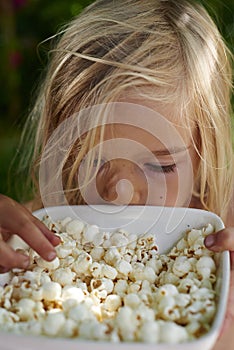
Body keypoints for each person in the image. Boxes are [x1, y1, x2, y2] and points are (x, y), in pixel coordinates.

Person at [0, 0, 233, 348]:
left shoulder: (226, 234)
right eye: (92, 160)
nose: (119, 193)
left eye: (159, 166)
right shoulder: (29, 241)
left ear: (205, 152)